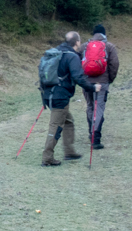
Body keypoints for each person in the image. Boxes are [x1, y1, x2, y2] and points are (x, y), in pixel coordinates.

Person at [40, 32, 102, 166]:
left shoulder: (56, 52)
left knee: (68, 121)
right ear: (77, 42)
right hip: (60, 97)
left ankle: (69, 151)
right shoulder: (72, 56)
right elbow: (78, 77)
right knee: (55, 127)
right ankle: (47, 158)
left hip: (49, 94)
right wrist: (92, 87)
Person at [77, 24, 120, 149]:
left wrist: (82, 79)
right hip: (102, 82)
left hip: (86, 82)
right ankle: (96, 139)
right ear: (104, 34)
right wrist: (109, 79)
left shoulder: (84, 46)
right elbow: (115, 64)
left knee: (90, 106)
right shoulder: (109, 46)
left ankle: (91, 133)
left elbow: (77, 63)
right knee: (99, 107)